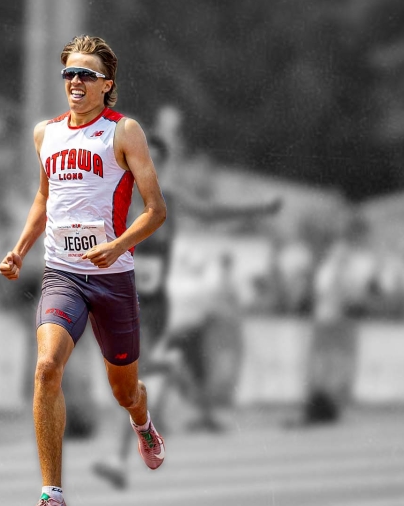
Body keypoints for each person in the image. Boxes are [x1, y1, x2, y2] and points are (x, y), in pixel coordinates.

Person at [0, 35, 168, 506]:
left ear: (106, 84)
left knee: (125, 391)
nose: (75, 81)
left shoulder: (124, 132)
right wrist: (19, 249)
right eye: (69, 73)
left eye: (86, 74)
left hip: (113, 279)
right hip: (62, 275)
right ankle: (52, 493)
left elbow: (156, 211)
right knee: (47, 367)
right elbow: (43, 197)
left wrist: (117, 246)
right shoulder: (44, 134)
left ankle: (142, 423)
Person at [92, 135, 281, 489]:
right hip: (121, 300)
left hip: (152, 306)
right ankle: (168, 377)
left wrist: (256, 209)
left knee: (133, 378)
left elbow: (210, 213)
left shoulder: (170, 200)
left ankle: (119, 458)